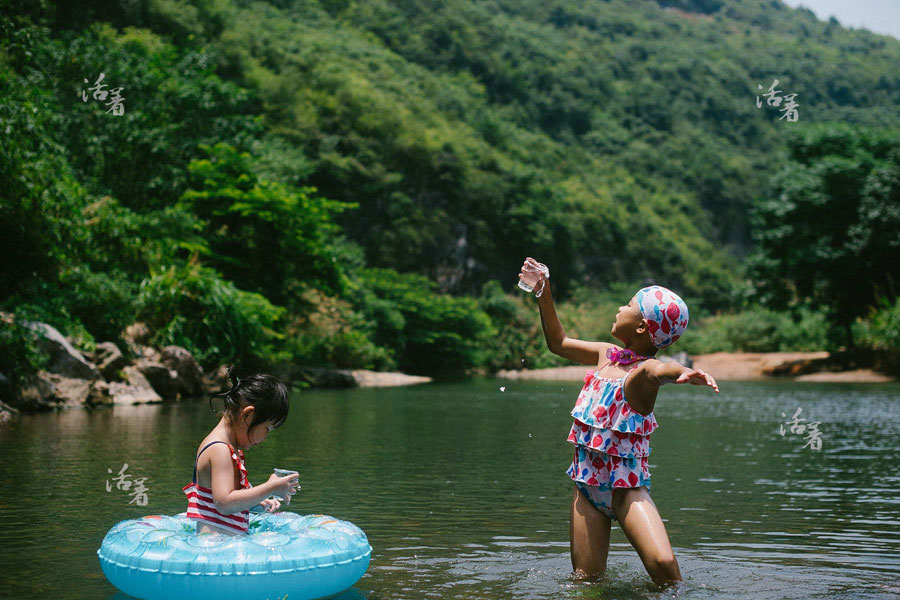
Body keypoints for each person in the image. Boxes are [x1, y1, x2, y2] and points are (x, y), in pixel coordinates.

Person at [520, 258, 719, 588]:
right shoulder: (606, 354)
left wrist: (682, 373)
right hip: (587, 489)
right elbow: (558, 343)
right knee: (586, 582)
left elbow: (659, 370)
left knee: (664, 566)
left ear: (642, 327)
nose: (618, 308)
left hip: (626, 491)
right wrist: (543, 291)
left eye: (627, 306)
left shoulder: (641, 375)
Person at [183, 368, 299, 536]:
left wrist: (257, 501)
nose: (265, 437)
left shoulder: (229, 448)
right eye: (267, 428)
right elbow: (225, 503)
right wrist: (270, 487)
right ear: (247, 415)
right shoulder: (219, 449)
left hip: (225, 545)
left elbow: (230, 497)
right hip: (215, 546)